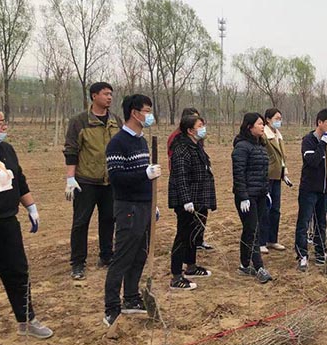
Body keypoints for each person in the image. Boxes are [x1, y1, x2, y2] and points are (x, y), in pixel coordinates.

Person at [0, 104, 53, 345]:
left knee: (18, 273)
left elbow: (19, 181)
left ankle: (27, 320)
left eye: (4, 121)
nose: (4, 126)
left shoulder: (6, 150)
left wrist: (31, 208)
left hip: (7, 223)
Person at [103, 94, 161, 326]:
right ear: (135, 113)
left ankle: (131, 297)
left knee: (140, 254)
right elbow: (116, 178)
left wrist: (153, 202)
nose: (150, 115)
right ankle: (111, 307)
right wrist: (144, 174)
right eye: (146, 111)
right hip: (128, 207)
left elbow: (147, 179)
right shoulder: (118, 143)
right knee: (123, 256)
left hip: (145, 205)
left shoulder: (141, 141)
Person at [64, 82, 121, 280]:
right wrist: (70, 178)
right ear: (94, 96)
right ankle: (78, 263)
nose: (109, 97)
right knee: (81, 223)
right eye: (105, 94)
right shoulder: (79, 121)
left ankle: (106, 256)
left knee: (109, 219)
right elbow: (71, 150)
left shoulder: (116, 121)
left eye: (111, 94)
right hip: (85, 181)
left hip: (109, 181)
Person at [168, 115, 216, 291]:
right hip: (187, 201)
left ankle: (191, 266)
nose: (203, 128)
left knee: (194, 235)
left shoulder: (196, 146)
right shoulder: (182, 149)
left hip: (199, 198)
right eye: (199, 126)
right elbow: (180, 177)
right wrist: (186, 200)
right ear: (189, 130)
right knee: (183, 235)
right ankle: (176, 276)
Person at [294, 109, 327, 271]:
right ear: (319, 122)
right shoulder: (308, 140)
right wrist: (322, 144)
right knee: (304, 222)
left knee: (321, 223)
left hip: (325, 189)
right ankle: (302, 255)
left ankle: (321, 252)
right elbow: (313, 161)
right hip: (309, 189)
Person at [232, 113, 273, 284]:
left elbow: (263, 172)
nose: (263, 126)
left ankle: (244, 264)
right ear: (249, 126)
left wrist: (266, 191)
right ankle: (259, 267)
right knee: (253, 230)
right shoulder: (242, 147)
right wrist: (243, 196)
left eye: (263, 124)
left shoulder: (260, 145)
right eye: (259, 124)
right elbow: (238, 173)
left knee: (250, 230)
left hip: (260, 195)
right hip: (247, 197)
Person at [262, 108, 291, 253]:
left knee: (275, 210)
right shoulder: (264, 135)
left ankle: (272, 240)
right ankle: (261, 241)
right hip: (267, 176)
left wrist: (284, 172)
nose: (279, 121)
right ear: (268, 119)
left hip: (278, 176)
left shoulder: (278, 135)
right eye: (276, 118)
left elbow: (281, 158)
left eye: (280, 118)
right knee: (265, 209)